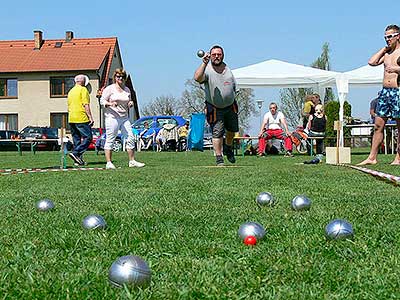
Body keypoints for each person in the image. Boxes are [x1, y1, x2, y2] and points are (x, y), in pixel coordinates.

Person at [358, 24, 400, 165]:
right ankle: (372, 157)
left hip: (398, 92)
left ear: (398, 36)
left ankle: (398, 158)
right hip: (385, 92)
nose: (387, 39)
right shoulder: (387, 54)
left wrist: (395, 68)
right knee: (378, 125)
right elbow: (372, 62)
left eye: (389, 37)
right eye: (385, 37)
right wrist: (384, 49)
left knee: (399, 126)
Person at [194, 45, 238, 166]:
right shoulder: (207, 70)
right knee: (217, 132)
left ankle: (228, 147)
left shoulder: (228, 69)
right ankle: (219, 158)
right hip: (215, 107)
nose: (217, 56)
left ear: (223, 55)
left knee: (232, 131)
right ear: (210, 56)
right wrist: (204, 63)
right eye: (214, 55)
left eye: (219, 54)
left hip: (230, 105)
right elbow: (197, 78)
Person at [99, 68, 145, 169]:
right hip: (112, 117)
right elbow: (102, 101)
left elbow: (128, 100)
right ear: (115, 77)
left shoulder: (127, 89)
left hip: (124, 117)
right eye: (118, 76)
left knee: (130, 138)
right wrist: (110, 103)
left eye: (123, 77)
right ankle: (109, 163)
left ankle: (132, 161)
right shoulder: (110, 89)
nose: (120, 78)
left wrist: (130, 103)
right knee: (111, 138)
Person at [67, 74, 94, 166]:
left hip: (71, 118)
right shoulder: (83, 90)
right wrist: (90, 117)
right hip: (81, 117)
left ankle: (77, 161)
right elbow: (86, 104)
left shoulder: (70, 91)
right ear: (83, 82)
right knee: (88, 137)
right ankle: (76, 153)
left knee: (76, 140)